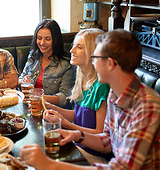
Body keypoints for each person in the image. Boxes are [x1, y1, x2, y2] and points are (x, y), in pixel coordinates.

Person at [20, 29, 160, 170]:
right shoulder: (115, 93)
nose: (93, 61)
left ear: (110, 64)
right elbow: (108, 140)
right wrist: (76, 135)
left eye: (95, 57)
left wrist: (50, 165)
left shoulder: (147, 106)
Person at [43, 28, 111, 161]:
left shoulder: (102, 86)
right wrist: (49, 106)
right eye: (74, 46)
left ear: (94, 53)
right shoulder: (82, 78)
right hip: (77, 146)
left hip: (94, 154)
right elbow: (78, 114)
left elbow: (100, 134)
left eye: (79, 47)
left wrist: (66, 124)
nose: (71, 51)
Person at [19, 19, 75, 107]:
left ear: (55, 40)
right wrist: (24, 81)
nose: (42, 43)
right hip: (30, 107)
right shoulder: (33, 56)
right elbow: (21, 78)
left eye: (47, 39)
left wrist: (38, 96)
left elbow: (65, 98)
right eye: (39, 38)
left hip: (53, 111)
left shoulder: (66, 64)